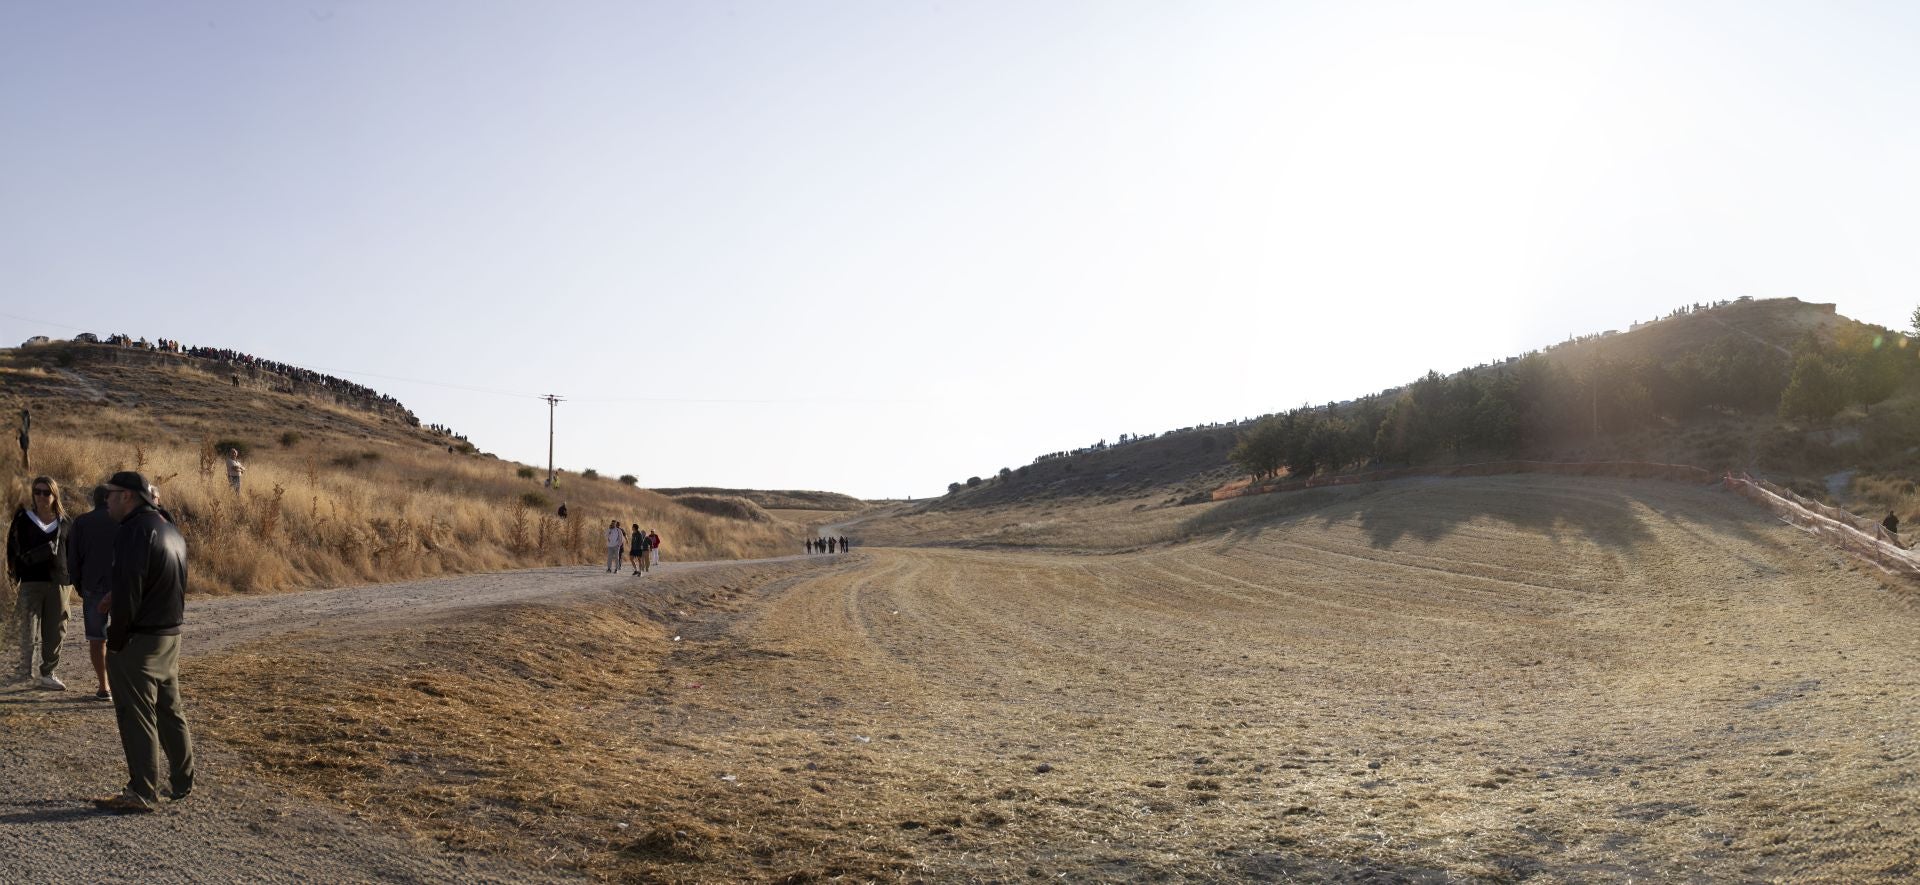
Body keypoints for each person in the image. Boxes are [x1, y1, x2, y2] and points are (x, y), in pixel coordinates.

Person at [95, 471, 195, 813]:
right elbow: (163, 581)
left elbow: (131, 589)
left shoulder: (133, 531)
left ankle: (141, 791)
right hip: (169, 636)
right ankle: (182, 782)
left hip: (139, 639)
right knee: (170, 711)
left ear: (128, 496)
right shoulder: (169, 528)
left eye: (111, 494)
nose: (105, 499)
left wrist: (117, 639)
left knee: (135, 713)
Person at [8, 475, 72, 690]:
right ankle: (25, 672)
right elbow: (12, 548)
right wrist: (12, 576)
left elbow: (72, 552)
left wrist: (72, 579)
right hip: (30, 581)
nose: (42, 496)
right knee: (27, 628)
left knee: (56, 629)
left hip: (59, 582)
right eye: (38, 492)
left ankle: (48, 673)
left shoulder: (65, 522)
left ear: (55, 495)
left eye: (47, 492)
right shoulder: (23, 518)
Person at [66, 485, 119, 699]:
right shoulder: (122, 521)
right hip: (121, 587)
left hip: (92, 586)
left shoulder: (81, 522)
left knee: (97, 639)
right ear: (109, 498)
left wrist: (79, 585)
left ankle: (103, 686)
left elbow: (72, 558)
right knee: (124, 637)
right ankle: (123, 684)